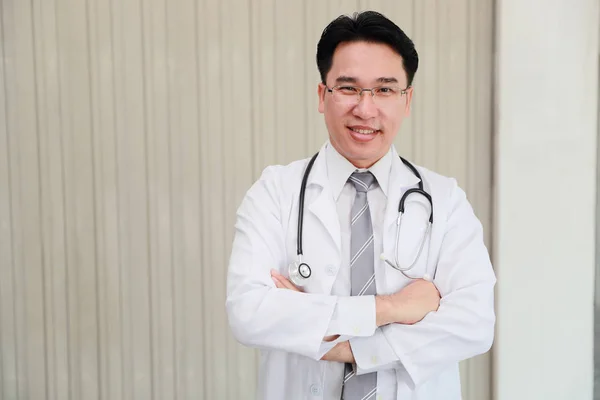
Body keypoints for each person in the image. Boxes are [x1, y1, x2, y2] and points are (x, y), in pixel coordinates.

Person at [226, 10, 496, 400]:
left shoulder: (445, 201)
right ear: (323, 96)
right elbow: (249, 313)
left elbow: (474, 324)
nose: (365, 109)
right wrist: (392, 308)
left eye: (385, 90)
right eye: (349, 88)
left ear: (407, 100)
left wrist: (336, 342)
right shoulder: (275, 192)